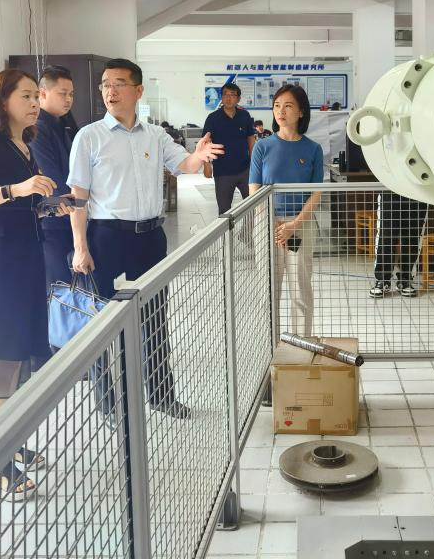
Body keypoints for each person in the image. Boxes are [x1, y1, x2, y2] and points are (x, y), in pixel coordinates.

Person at [68, 58, 223, 420]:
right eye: (106, 84)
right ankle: (108, 402)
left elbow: (183, 165)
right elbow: (78, 198)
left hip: (150, 237)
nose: (110, 91)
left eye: (119, 84)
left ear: (138, 91)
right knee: (103, 322)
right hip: (107, 236)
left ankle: (161, 394)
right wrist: (80, 247)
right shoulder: (89, 137)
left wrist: (198, 156)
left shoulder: (155, 135)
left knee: (154, 317)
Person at [0, 69, 75, 499]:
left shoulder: (24, 143)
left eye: (36, 96)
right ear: (1, 100)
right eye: (25, 96)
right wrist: (16, 189)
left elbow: (23, 204)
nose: (35, 103)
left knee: (18, 356)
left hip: (24, 256)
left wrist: (49, 206)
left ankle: (8, 440)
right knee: (1, 357)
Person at [249, 85, 323, 336]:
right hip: (267, 223)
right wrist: (273, 224)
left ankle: (300, 344)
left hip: (300, 224)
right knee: (269, 290)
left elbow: (316, 193)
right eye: (277, 106)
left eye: (288, 106)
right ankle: (271, 347)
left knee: (300, 289)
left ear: (301, 112)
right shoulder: (262, 147)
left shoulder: (313, 149)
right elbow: (254, 189)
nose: (281, 111)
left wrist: (294, 224)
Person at [29, 65, 79, 290]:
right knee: (58, 288)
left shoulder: (63, 123)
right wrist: (80, 202)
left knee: (73, 287)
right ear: (43, 93)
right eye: (62, 93)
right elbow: (52, 178)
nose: (68, 99)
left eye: (71, 94)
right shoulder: (37, 128)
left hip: (70, 214)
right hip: (52, 219)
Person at [202, 82, 257, 214]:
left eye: (232, 95)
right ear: (221, 97)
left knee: (252, 206)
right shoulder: (213, 118)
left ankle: (248, 229)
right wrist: (206, 165)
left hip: (245, 170)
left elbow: (250, 139)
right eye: (225, 94)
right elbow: (205, 143)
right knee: (224, 211)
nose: (228, 98)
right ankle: (227, 229)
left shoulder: (244, 116)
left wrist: (255, 163)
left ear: (238, 99)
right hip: (223, 172)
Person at [369, 192, 428, 298]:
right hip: (390, 190)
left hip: (418, 191)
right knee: (386, 234)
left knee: (412, 236)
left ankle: (405, 279)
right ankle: (382, 279)